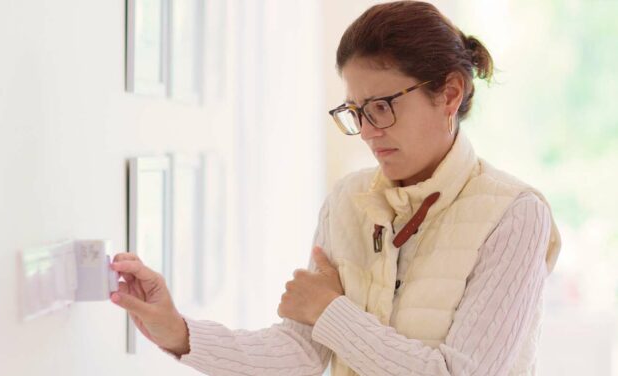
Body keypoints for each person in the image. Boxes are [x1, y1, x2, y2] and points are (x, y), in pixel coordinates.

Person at [110, 1, 561, 375]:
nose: (367, 131)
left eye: (382, 107)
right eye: (355, 110)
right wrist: (179, 331)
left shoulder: (515, 214)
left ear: (449, 94)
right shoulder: (348, 200)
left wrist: (328, 310)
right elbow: (301, 352)